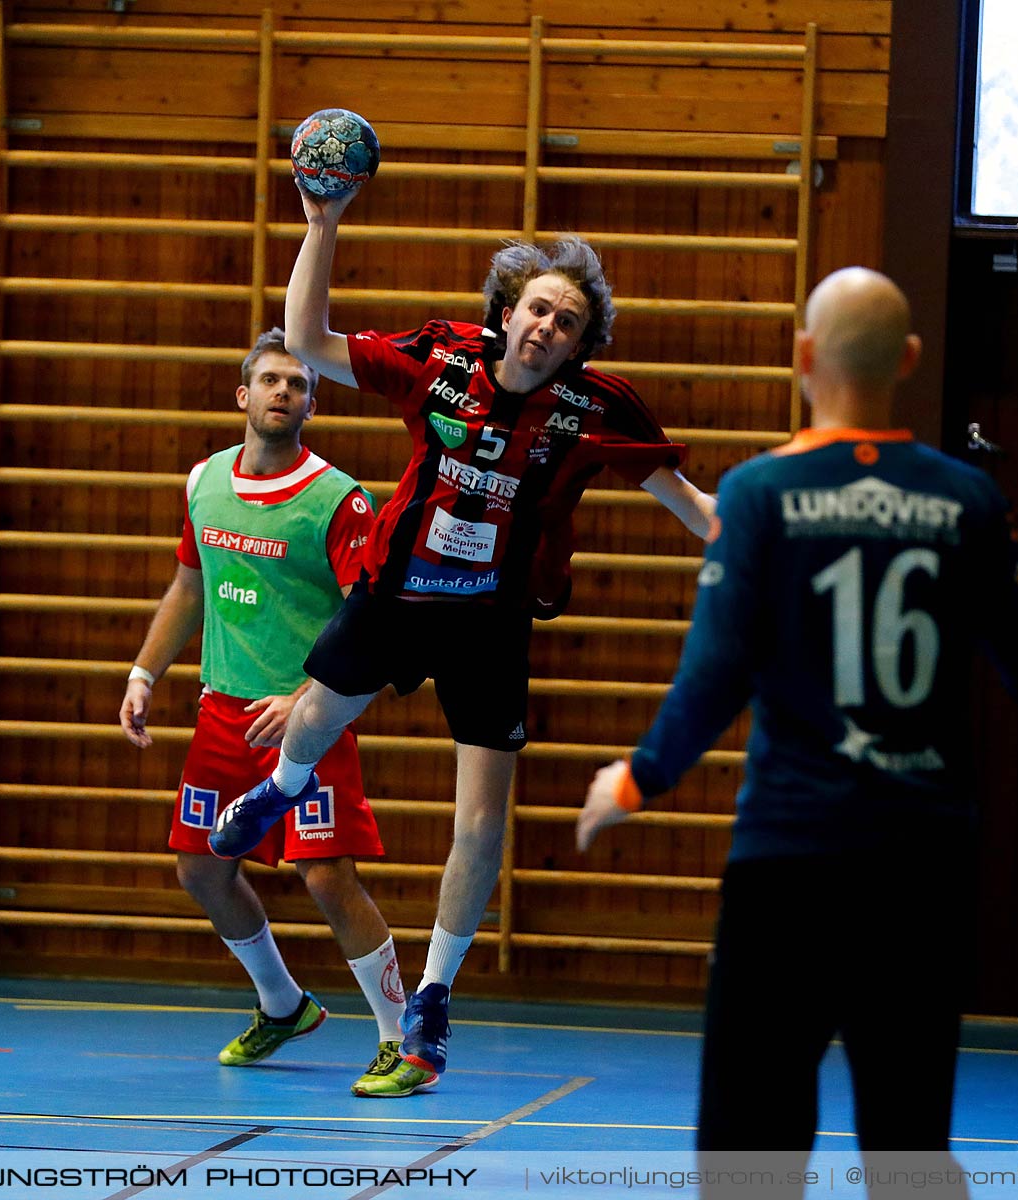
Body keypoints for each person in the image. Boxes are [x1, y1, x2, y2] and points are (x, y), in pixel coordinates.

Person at [575, 267, 1018, 1187]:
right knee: (908, 1145)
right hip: (924, 869)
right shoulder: (967, 501)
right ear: (908, 359)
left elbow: (715, 673)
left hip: (789, 862)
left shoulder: (760, 493)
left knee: (749, 1146)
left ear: (803, 355)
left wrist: (639, 777)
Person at [205, 179, 717, 1096]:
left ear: (581, 341)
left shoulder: (599, 408)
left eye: (567, 322)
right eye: (538, 309)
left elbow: (693, 506)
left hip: (492, 623)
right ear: (507, 310)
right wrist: (321, 223)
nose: (548, 328)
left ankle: (433, 997)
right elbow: (312, 338)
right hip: (397, 592)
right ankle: (282, 790)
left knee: (481, 819)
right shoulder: (440, 358)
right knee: (315, 716)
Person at [120, 328, 409, 1098]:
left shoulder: (340, 499)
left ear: (312, 402)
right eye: (272, 380)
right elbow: (190, 586)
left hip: (308, 717)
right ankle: (282, 1004)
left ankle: (398, 1038)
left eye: (300, 383)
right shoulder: (205, 482)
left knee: (325, 877)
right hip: (222, 714)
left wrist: (308, 697)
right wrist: (146, 670)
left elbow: (368, 615)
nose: (286, 391)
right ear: (244, 396)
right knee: (200, 866)